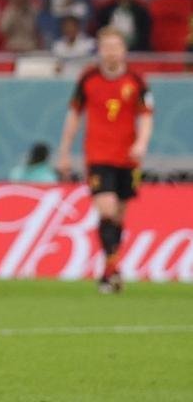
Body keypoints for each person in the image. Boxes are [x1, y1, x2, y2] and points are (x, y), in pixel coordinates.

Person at [56, 27, 154, 294]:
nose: (111, 52)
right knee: (107, 209)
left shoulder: (136, 81)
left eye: (115, 46)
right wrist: (64, 151)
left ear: (124, 50)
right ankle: (113, 270)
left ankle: (109, 270)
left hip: (127, 159)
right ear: (99, 50)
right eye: (106, 47)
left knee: (120, 215)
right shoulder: (88, 79)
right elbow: (74, 117)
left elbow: (146, 116)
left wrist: (142, 143)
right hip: (98, 156)